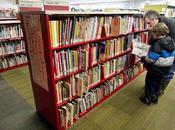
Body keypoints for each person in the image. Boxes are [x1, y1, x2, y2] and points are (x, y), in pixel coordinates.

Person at [140, 22, 175, 105]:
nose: (152, 36)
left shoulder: (157, 44)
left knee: (150, 83)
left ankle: (148, 99)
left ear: (158, 34)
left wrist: (143, 57)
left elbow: (151, 59)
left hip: (155, 69)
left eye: (153, 34)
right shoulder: (170, 40)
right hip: (166, 68)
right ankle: (155, 97)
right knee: (158, 82)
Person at [144, 10, 175, 95]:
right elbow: (154, 40)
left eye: (149, 23)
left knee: (168, 73)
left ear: (154, 19)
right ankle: (154, 90)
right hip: (160, 57)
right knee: (158, 76)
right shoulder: (156, 27)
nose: (149, 27)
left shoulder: (171, 24)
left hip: (169, 56)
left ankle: (159, 91)